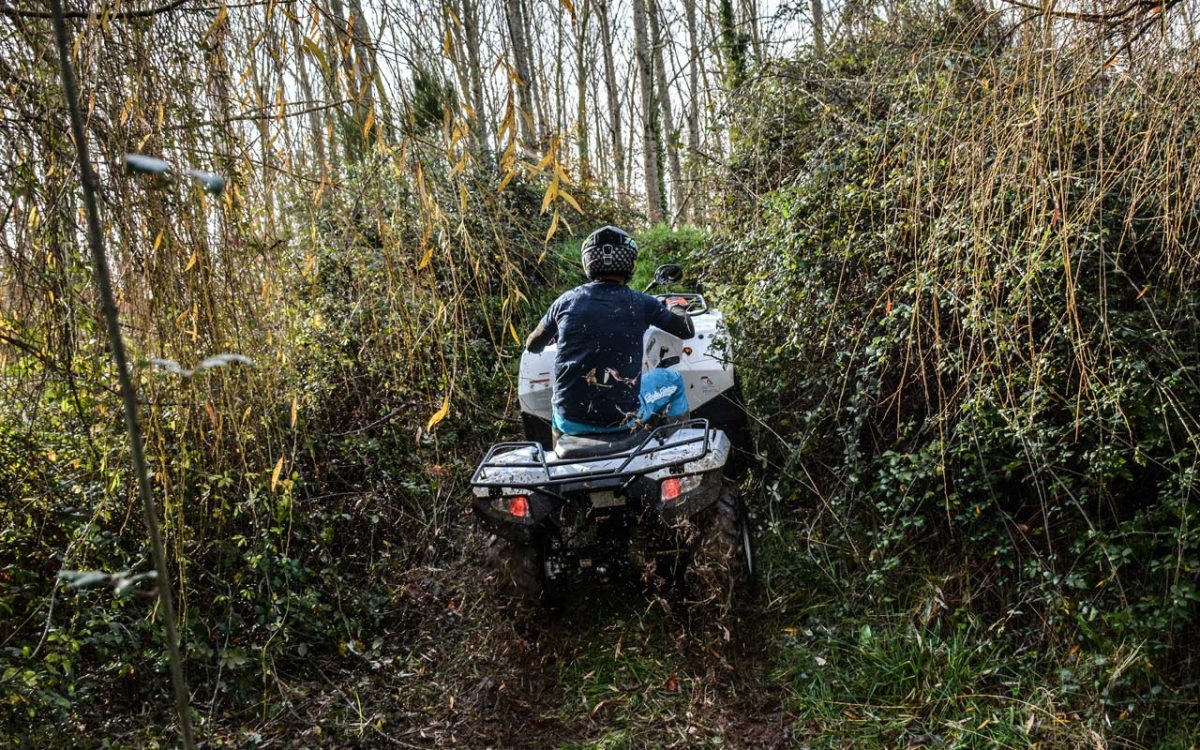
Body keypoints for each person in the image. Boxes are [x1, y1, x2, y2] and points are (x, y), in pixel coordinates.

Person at [525, 226, 695, 438]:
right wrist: (676, 304)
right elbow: (686, 330)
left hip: (569, 421)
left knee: (559, 402)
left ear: (588, 262)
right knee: (674, 380)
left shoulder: (565, 302)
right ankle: (680, 449)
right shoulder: (642, 303)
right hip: (623, 419)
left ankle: (559, 446)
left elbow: (533, 345)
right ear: (630, 263)